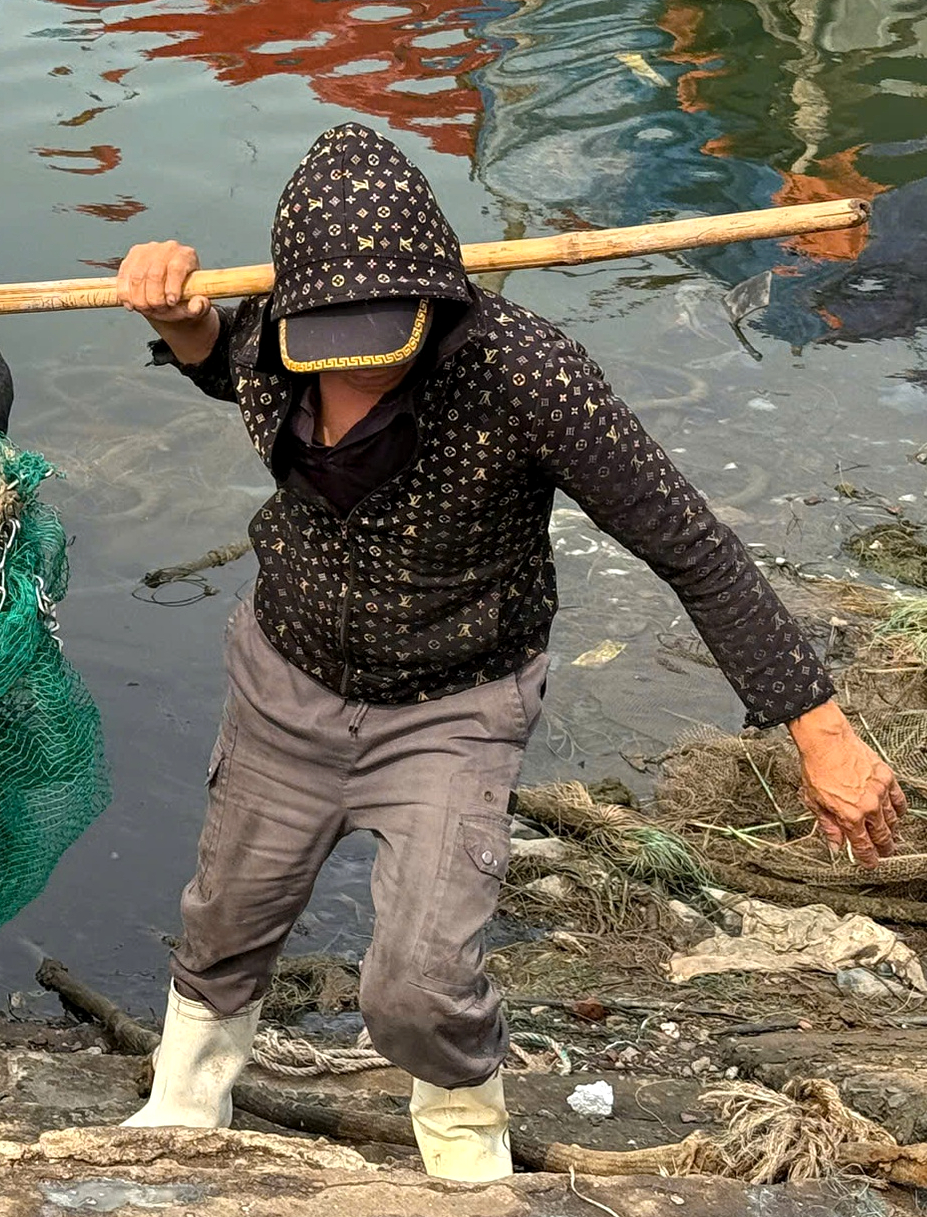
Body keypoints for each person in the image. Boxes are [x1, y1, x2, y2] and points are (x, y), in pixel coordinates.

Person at [112, 123, 905, 1179]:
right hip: (285, 679)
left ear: (435, 314)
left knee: (420, 978)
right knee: (225, 920)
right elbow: (225, 371)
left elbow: (690, 546)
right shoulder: (271, 332)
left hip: (455, 701)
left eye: (382, 349)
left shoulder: (525, 372)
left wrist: (820, 726)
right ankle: (182, 1109)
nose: (358, 377)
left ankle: (463, 1147)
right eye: (330, 353)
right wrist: (189, 324)